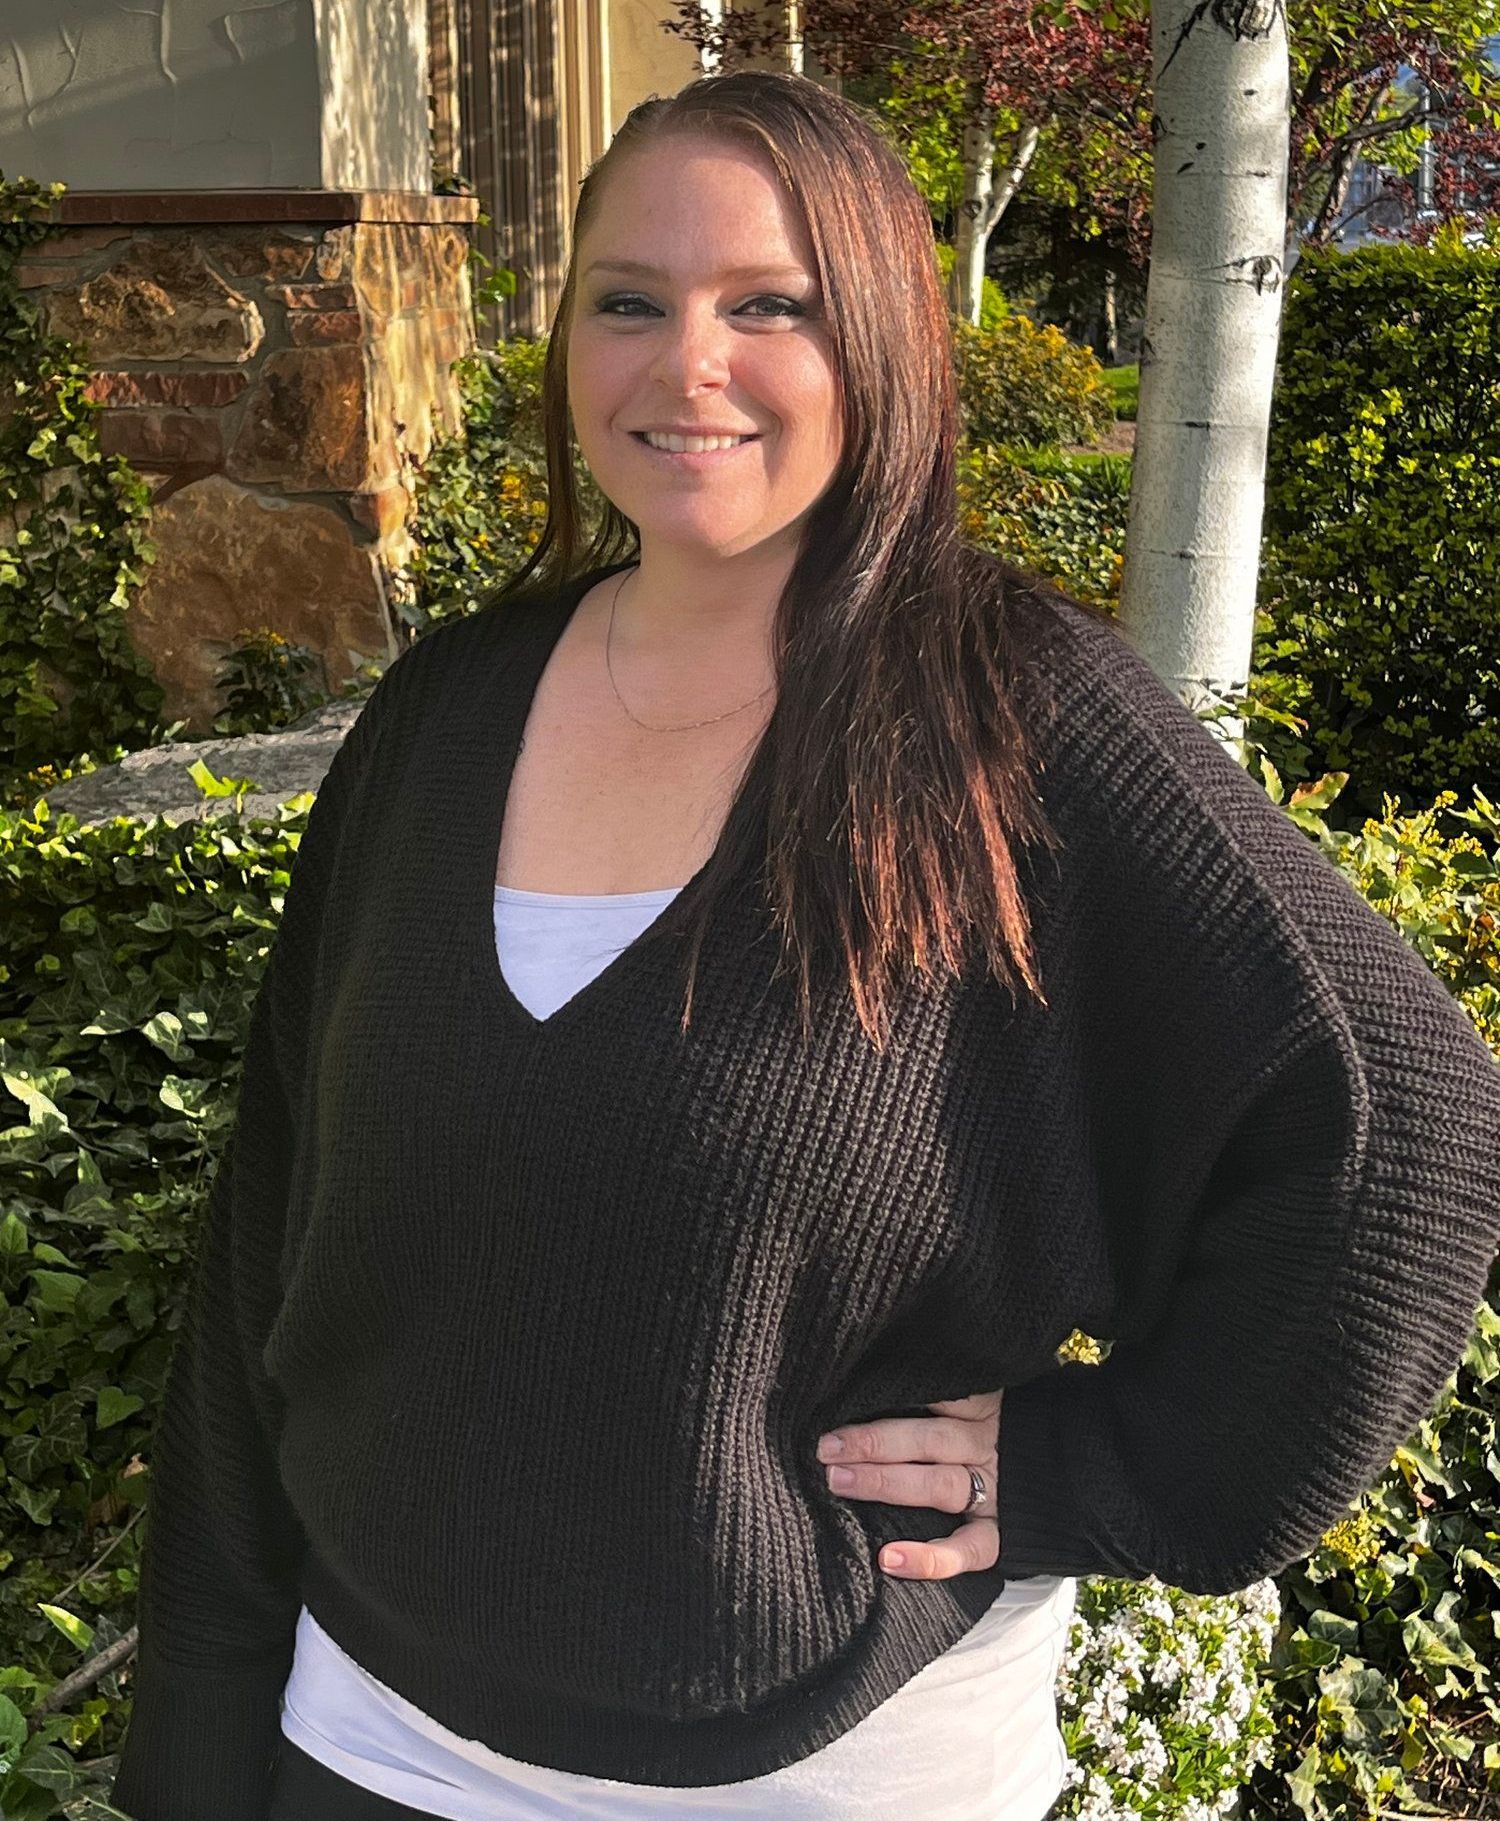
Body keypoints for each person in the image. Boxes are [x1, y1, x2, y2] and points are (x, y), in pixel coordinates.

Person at [110, 69, 1500, 1821]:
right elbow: (270, 1250)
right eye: (632, 302)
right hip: (372, 1741)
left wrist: (1103, 1469)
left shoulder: (1018, 723)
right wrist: (202, 1712)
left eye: (771, 304)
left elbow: (1407, 1128)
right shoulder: (439, 721)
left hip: (824, 1771)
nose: (687, 366)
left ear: (884, 345)